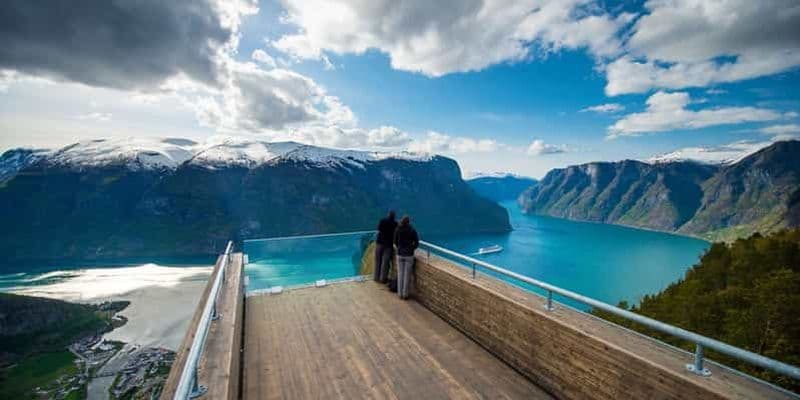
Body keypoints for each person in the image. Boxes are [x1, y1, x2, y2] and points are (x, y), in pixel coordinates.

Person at [394, 215, 419, 300]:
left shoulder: (397, 229)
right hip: (409, 255)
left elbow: (395, 242)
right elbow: (416, 242)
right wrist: (412, 249)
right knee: (407, 275)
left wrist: (399, 248)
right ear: (408, 222)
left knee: (400, 274)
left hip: (400, 253)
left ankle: (399, 294)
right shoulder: (412, 230)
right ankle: (405, 295)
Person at [374, 210, 397, 283]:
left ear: (388, 215)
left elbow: (379, 229)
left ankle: (376, 277)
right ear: (394, 216)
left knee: (378, 260)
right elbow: (396, 234)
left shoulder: (382, 221)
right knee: (385, 262)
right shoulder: (395, 224)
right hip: (388, 245)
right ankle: (383, 279)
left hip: (379, 242)